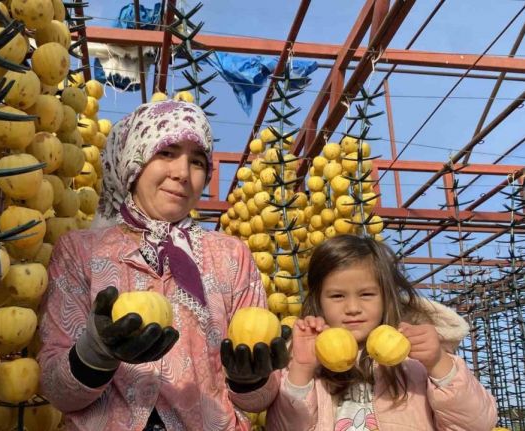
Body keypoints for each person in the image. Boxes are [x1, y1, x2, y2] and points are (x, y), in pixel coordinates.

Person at [38, 100, 289, 430]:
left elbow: (258, 400)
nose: (182, 173)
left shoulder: (231, 256)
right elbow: (56, 391)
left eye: (197, 162)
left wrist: (251, 379)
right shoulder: (81, 252)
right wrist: (96, 352)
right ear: (135, 158)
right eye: (167, 153)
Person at [266, 234, 498, 430]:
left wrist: (438, 363)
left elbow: (477, 423)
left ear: (387, 297)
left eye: (366, 294)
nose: (353, 308)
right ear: (318, 301)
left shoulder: (416, 360)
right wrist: (302, 370)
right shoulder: (307, 360)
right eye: (337, 296)